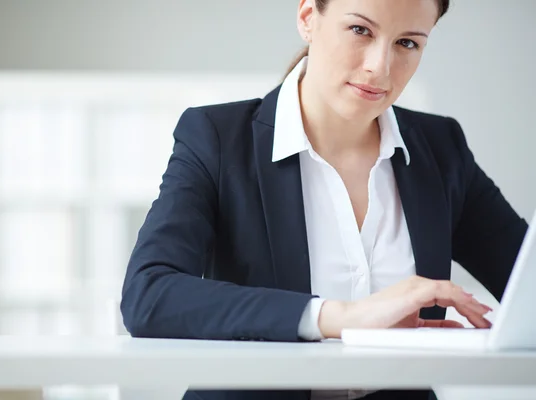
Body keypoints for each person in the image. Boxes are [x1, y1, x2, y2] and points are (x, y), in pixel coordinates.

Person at [120, 0, 529, 399]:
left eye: (408, 43)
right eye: (360, 30)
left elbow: (524, 279)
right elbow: (149, 294)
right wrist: (340, 317)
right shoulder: (217, 138)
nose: (380, 67)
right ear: (307, 18)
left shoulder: (441, 150)